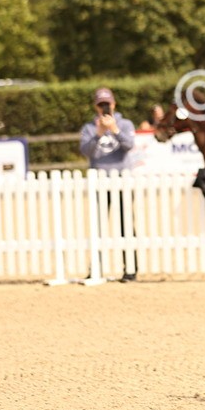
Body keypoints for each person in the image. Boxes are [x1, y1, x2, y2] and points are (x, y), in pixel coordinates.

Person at [78, 87, 138, 281]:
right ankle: (95, 268)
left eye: (107, 104)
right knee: (98, 227)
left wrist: (115, 130)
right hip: (100, 182)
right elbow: (86, 151)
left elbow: (129, 145)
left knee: (125, 226)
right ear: (95, 107)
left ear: (114, 104)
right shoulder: (89, 127)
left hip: (121, 180)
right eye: (100, 104)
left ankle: (130, 269)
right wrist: (98, 134)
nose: (104, 107)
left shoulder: (125, 124)